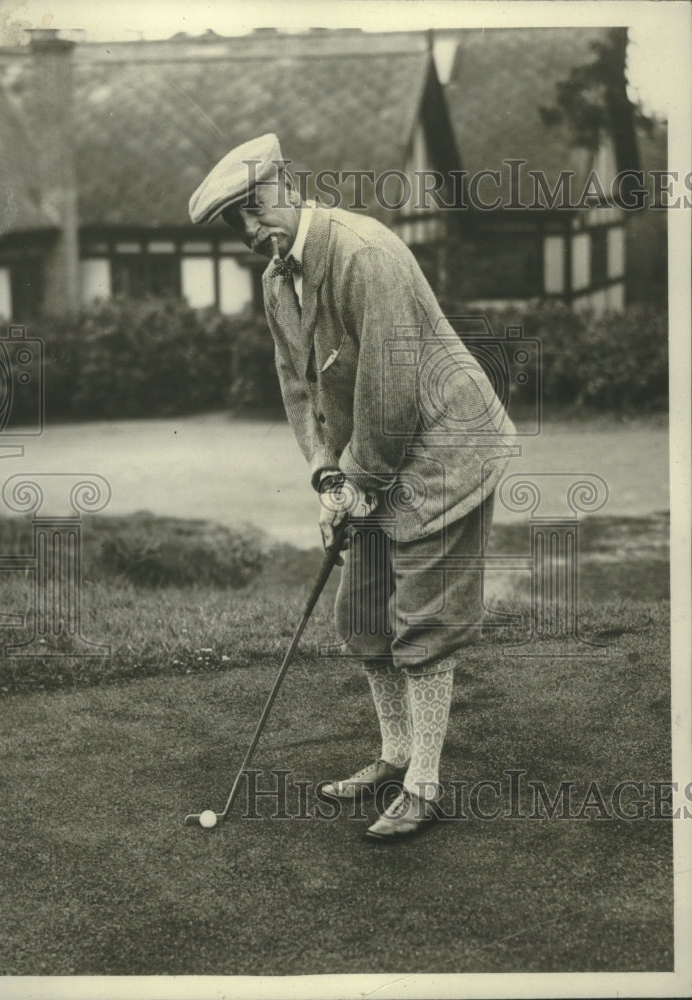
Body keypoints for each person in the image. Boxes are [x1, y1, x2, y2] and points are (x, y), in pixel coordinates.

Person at [189, 134, 516, 842]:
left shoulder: (363, 253)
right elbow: (302, 387)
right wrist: (327, 476)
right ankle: (394, 755)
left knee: (422, 619)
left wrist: (360, 480)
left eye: (253, 208)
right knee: (362, 610)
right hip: (374, 452)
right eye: (233, 222)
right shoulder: (279, 278)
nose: (249, 231)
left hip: (443, 448)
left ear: (291, 186)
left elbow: (390, 389)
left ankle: (423, 785)